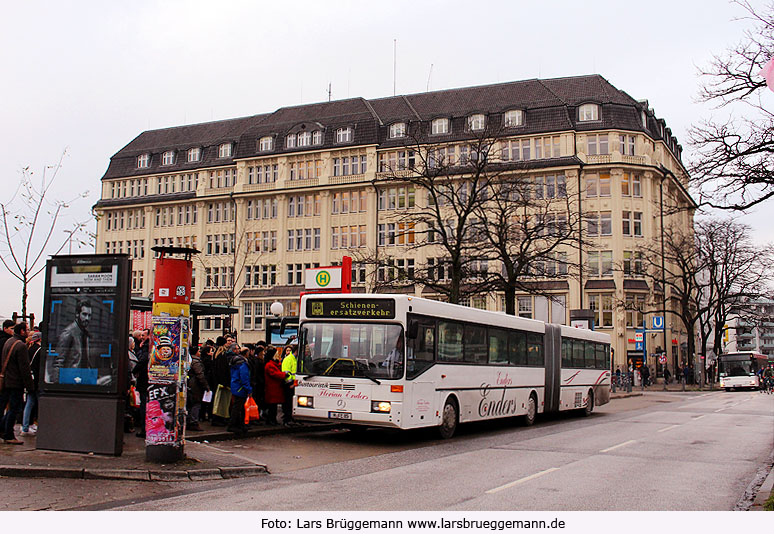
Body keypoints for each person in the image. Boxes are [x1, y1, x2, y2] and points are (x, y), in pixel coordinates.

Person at [0, 322, 34, 444]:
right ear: (22, 332)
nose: (28, 331)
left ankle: (4, 429)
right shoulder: (21, 346)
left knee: (7, 406)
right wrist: (30, 386)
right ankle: (8, 433)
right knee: (14, 408)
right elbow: (25, 369)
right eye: (27, 329)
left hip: (7, 380)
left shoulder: (9, 342)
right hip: (16, 382)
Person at [21, 331, 42, 436]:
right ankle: (40, 425)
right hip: (38, 381)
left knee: (29, 404)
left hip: (30, 380)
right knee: (39, 404)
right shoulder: (40, 350)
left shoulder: (28, 349)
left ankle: (24, 427)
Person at [228, 346, 252, 435]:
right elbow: (244, 377)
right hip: (241, 388)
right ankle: (234, 425)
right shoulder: (243, 364)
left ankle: (238, 424)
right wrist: (249, 389)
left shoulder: (235, 363)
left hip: (235, 386)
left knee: (237, 406)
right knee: (238, 407)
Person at [186, 345, 209, 431]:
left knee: (190, 404)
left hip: (190, 384)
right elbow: (200, 375)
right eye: (198, 351)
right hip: (195, 385)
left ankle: (189, 421)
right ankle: (193, 422)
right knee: (196, 403)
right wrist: (206, 386)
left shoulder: (189, 360)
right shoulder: (196, 362)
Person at [264, 346, 286, 425]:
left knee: (273, 406)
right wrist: (284, 374)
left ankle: (272, 420)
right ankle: (271, 420)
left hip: (275, 388)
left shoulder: (273, 364)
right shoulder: (270, 365)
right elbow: (274, 374)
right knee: (272, 407)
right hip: (272, 388)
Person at [281, 344, 299, 426]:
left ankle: (291, 418)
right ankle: (286, 420)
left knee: (292, 403)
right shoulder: (288, 359)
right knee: (288, 403)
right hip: (289, 385)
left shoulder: (296, 359)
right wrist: (290, 384)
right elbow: (286, 373)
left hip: (295, 384)